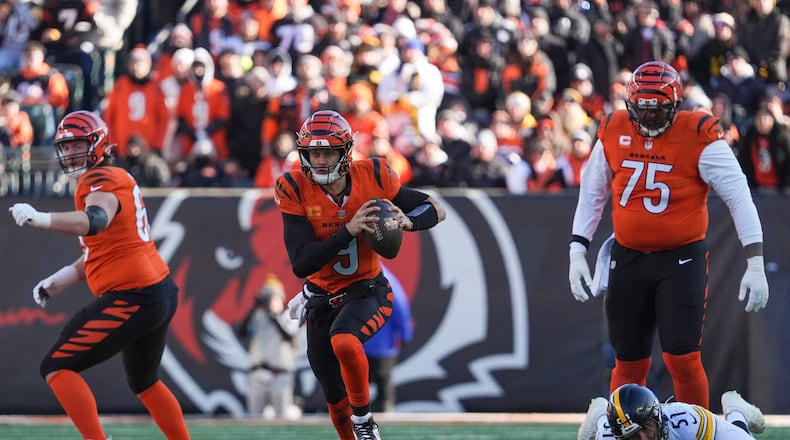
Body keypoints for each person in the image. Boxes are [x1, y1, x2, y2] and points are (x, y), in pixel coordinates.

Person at [568, 61, 769, 409]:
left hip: (681, 259)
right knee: (627, 360)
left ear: (675, 106)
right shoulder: (614, 127)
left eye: (655, 109)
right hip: (628, 258)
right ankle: (626, 430)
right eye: (640, 110)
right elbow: (592, 193)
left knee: (682, 358)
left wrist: (755, 261)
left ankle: (697, 432)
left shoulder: (698, 133)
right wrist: (576, 250)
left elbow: (738, 196)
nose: (646, 119)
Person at [7, 110, 190, 440]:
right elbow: (101, 250)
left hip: (135, 295)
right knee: (145, 383)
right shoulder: (108, 178)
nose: (71, 153)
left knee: (57, 365)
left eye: (78, 145)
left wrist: (41, 218)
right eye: (66, 147)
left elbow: (95, 221)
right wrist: (58, 281)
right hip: (157, 291)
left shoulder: (99, 179)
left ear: (99, 144)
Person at [275, 110, 446, 440]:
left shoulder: (375, 175)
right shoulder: (293, 186)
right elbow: (301, 263)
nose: (321, 161)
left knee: (345, 340)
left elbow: (435, 208)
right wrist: (349, 230)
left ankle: (365, 420)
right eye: (314, 153)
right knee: (335, 401)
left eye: (328, 152)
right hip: (321, 297)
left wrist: (406, 222)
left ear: (346, 152)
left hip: (366, 289)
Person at [578, 383, 765, 440]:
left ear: (658, 418)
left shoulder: (688, 422)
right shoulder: (609, 436)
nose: (644, 439)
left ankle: (736, 411)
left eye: (646, 428)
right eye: (633, 438)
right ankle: (600, 412)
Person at [237, 274, 301, 420]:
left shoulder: (288, 316)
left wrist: (273, 315)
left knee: (282, 415)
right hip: (258, 372)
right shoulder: (258, 316)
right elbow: (242, 332)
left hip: (281, 372)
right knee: (255, 416)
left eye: (272, 298)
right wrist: (254, 307)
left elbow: (288, 336)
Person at [363, 277, 414, 413]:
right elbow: (399, 306)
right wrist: (405, 334)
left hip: (356, 342)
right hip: (381, 344)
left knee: (354, 387)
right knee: (383, 390)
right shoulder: (385, 278)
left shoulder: (350, 274)